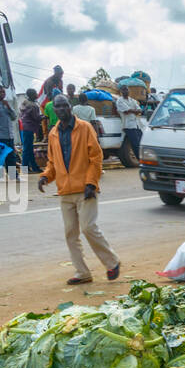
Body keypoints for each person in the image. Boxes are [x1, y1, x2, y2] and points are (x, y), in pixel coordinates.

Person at [37, 95, 120, 285]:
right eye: (57, 107)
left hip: (85, 189)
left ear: (70, 107)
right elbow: (52, 163)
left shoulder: (84, 127)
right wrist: (45, 177)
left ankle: (112, 262)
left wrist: (91, 183)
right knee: (70, 233)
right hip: (65, 191)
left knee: (88, 227)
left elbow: (96, 157)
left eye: (64, 105)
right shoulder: (53, 134)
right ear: (54, 110)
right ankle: (82, 272)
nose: (61, 109)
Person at [115, 84, 144, 162]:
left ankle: (143, 159)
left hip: (137, 124)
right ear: (121, 92)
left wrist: (133, 111)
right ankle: (140, 160)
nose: (126, 91)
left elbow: (140, 110)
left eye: (127, 89)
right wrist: (135, 111)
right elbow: (126, 111)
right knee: (135, 144)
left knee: (141, 143)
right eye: (124, 90)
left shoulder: (132, 100)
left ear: (129, 91)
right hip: (128, 125)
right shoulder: (120, 101)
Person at [19, 88, 42, 172]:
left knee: (28, 148)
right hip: (29, 128)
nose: (37, 95)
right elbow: (36, 118)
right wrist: (44, 117)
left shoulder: (24, 103)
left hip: (24, 127)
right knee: (27, 148)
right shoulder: (33, 105)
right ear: (32, 95)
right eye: (35, 93)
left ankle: (32, 166)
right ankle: (26, 168)